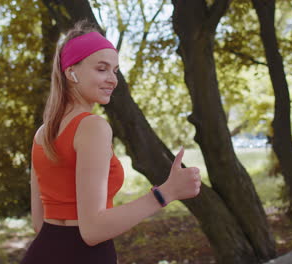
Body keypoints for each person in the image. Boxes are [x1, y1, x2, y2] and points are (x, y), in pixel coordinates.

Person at [20, 20, 201, 264]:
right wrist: (166, 193)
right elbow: (92, 230)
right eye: (102, 69)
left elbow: (38, 222)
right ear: (71, 72)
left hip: (42, 253)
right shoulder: (92, 127)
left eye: (115, 71)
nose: (113, 80)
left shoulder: (43, 133)